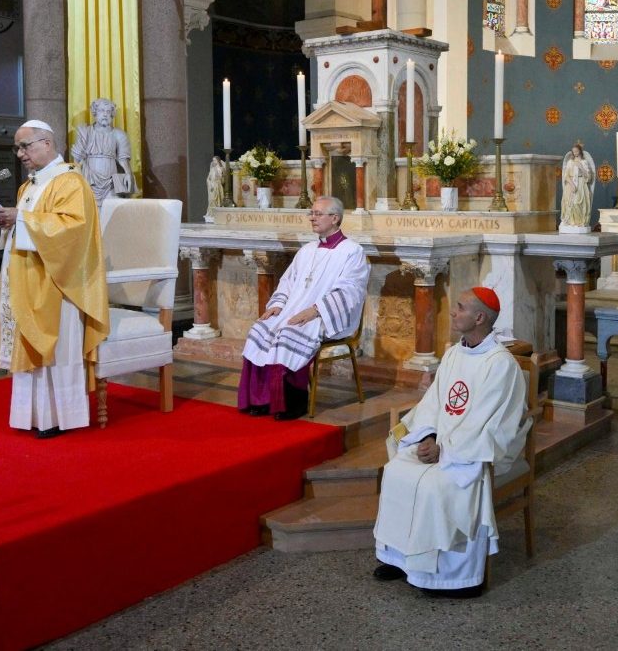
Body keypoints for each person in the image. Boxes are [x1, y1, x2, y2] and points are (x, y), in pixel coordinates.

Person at [372, 287, 531, 597]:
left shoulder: (500, 365)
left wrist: (445, 448)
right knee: (396, 471)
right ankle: (400, 558)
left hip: (470, 453)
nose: (454, 313)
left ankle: (454, 577)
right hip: (441, 442)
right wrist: (428, 435)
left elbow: (489, 423)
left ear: (480, 317)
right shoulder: (456, 353)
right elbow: (433, 403)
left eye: (460, 308)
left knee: (436, 486)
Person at [0, 120, 109, 439]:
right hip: (28, 276)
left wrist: (23, 219)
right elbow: (27, 226)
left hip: (59, 282)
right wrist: (9, 222)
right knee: (29, 343)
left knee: (58, 349)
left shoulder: (71, 182)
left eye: (25, 146)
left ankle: (60, 416)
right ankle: (33, 416)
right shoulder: (28, 186)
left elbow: (75, 230)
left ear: (46, 143)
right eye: (17, 148)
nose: (20, 154)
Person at [237, 196, 369, 420]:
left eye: (318, 214)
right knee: (260, 329)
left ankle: (292, 403)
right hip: (294, 311)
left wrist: (315, 310)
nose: (312, 218)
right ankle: (262, 399)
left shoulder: (352, 251)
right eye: (312, 213)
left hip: (327, 316)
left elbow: (350, 292)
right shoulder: (307, 250)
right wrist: (278, 305)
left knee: (289, 334)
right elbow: (288, 282)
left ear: (335, 218)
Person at [70, 98, 135, 204]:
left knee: (112, 210)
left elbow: (123, 158)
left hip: (111, 181)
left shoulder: (119, 134)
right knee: (90, 211)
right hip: (89, 179)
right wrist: (75, 178)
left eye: (108, 111)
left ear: (112, 114)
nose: (105, 114)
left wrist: (128, 173)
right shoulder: (85, 132)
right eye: (101, 111)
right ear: (95, 113)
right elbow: (77, 159)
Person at [559, 141, 595, 231]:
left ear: (580, 151)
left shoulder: (584, 162)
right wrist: (571, 184)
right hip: (570, 184)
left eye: (576, 151)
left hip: (581, 184)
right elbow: (566, 176)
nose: (575, 153)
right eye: (573, 151)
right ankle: (570, 222)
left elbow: (589, 177)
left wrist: (581, 167)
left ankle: (579, 222)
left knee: (578, 203)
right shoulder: (570, 162)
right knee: (568, 203)